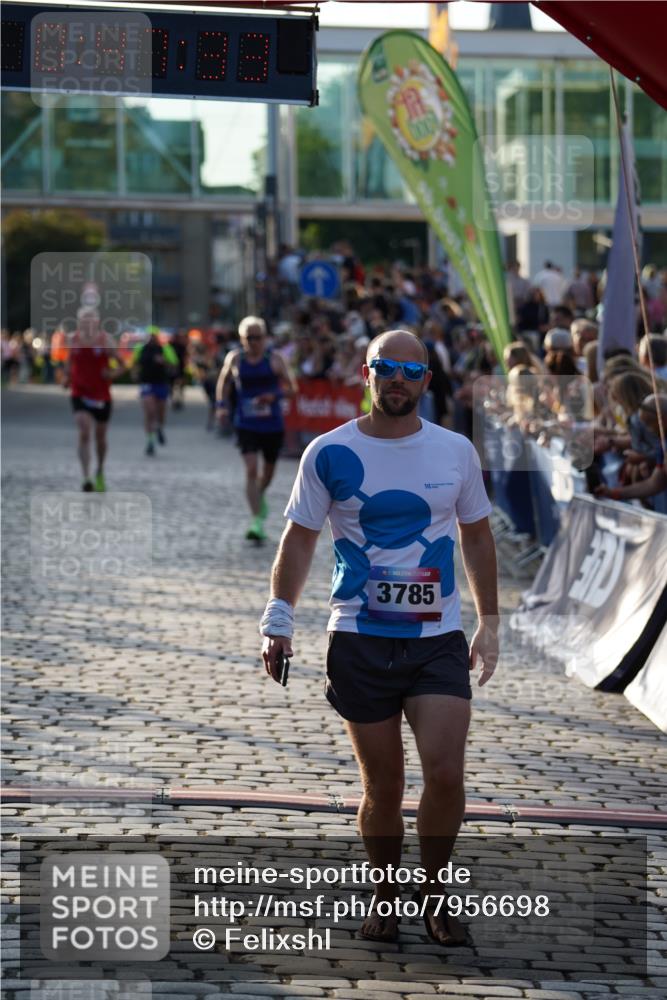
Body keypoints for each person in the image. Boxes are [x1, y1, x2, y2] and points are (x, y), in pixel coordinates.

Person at [260, 329, 499, 946]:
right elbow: (300, 538)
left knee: (445, 774)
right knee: (385, 786)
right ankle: (385, 892)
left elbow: (476, 535)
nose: (398, 379)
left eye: (411, 370)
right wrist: (278, 617)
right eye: (385, 367)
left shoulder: (455, 452)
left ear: (426, 380)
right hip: (360, 639)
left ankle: (437, 892)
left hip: (437, 637)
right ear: (364, 374)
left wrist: (490, 621)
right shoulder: (328, 453)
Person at [216, 316, 297, 542]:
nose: (253, 342)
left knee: (268, 472)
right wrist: (221, 406)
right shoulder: (235, 358)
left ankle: (259, 495)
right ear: (242, 339)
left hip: (272, 424)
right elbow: (223, 382)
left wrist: (274, 395)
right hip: (246, 423)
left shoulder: (275, 359)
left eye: (257, 337)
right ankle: (256, 521)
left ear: (265, 338)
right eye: (248, 338)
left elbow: (293, 388)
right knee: (251, 469)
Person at [62, 308, 124, 492]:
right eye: (83, 320)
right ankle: (86, 476)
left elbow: (123, 365)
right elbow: (69, 363)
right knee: (84, 431)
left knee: (100, 437)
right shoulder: (73, 340)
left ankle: (100, 470)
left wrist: (111, 373)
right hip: (80, 393)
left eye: (90, 320)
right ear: (79, 322)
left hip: (102, 395)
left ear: (97, 322)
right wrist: (66, 377)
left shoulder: (106, 341)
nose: (86, 324)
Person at [132, 328, 179, 456]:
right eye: (149, 335)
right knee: (150, 412)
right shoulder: (140, 348)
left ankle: (159, 428)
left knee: (161, 413)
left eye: (154, 336)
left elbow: (175, 365)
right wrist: (134, 374)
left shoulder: (165, 349)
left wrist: (164, 361)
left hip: (161, 383)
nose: (152, 338)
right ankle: (150, 441)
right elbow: (135, 363)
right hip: (147, 384)